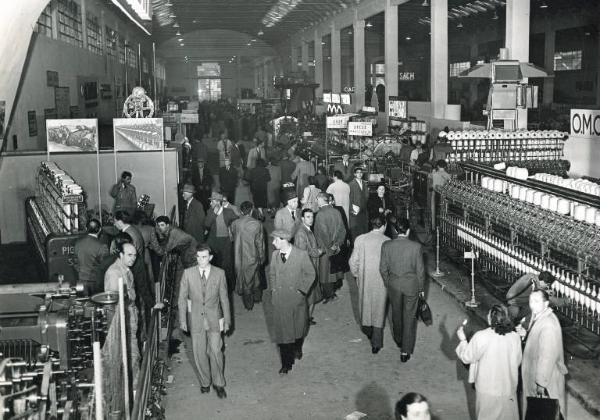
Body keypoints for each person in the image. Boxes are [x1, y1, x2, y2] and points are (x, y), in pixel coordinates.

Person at [178, 244, 231, 399]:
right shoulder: (188, 274)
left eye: (204, 257)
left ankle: (219, 383)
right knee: (199, 352)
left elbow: (224, 299)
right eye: (198, 257)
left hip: (215, 318)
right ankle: (205, 382)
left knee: (216, 351)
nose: (201, 260)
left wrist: (227, 320)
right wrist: (182, 320)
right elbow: (182, 299)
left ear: (210, 257)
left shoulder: (219, 274)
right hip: (195, 319)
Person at [456, 305, 522, 420]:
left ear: (491, 318)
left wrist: (462, 340)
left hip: (487, 389)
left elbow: (467, 357)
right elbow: (517, 361)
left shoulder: (481, 336)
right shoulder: (515, 337)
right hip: (507, 387)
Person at [269, 229, 316, 375]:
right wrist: (273, 290)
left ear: (284, 240)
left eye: (275, 240)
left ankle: (297, 347)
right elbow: (271, 274)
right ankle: (286, 364)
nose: (272, 243)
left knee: (297, 329)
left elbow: (311, 274)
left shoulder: (301, 255)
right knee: (283, 334)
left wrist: (301, 291)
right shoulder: (274, 255)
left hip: (296, 299)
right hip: (280, 300)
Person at [379, 218, 424, 363]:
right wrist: (421, 288)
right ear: (408, 231)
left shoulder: (387, 245)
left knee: (396, 313)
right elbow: (420, 271)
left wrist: (389, 283)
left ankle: (398, 339)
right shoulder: (416, 247)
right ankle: (405, 351)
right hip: (411, 286)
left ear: (396, 231)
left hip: (394, 285)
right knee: (410, 316)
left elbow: (383, 269)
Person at [518, 289, 568, 419]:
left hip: (544, 380)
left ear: (546, 304)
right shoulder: (540, 317)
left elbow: (547, 356)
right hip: (538, 375)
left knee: (544, 413)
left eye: (536, 301)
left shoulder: (548, 325)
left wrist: (541, 384)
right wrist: (526, 335)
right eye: (530, 301)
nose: (532, 305)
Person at [349, 216, 390, 354]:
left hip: (364, 278)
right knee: (379, 309)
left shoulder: (360, 239)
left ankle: (368, 330)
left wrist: (357, 275)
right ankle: (376, 344)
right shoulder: (387, 241)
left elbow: (353, 261)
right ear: (383, 226)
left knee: (365, 306)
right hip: (382, 281)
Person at [104, 242, 141, 390]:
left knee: (132, 356)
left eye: (135, 255)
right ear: (120, 255)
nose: (133, 258)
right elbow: (113, 305)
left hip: (129, 316)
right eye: (129, 255)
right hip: (122, 321)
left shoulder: (125, 269)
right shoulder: (114, 273)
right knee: (132, 356)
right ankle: (134, 393)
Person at [114, 211, 154, 329]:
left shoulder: (128, 234)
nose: (114, 224)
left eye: (115, 221)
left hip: (134, 276)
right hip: (137, 273)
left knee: (138, 312)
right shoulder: (132, 230)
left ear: (120, 221)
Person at [231, 201, 265, 310]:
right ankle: (257, 298)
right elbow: (260, 243)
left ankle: (248, 305)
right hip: (252, 255)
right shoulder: (257, 224)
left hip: (238, 256)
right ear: (251, 210)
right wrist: (262, 256)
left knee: (243, 277)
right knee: (254, 276)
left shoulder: (235, 223)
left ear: (241, 211)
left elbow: (232, 238)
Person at [313, 192, 347, 302]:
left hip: (325, 249)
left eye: (317, 199)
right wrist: (337, 244)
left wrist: (330, 247)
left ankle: (329, 295)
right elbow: (343, 230)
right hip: (336, 247)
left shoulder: (320, 214)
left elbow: (323, 233)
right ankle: (333, 292)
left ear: (322, 200)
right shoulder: (336, 211)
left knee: (324, 273)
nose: (316, 202)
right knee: (334, 271)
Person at [293, 208, 323, 324]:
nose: (311, 219)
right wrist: (318, 252)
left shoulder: (307, 230)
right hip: (307, 268)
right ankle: (304, 319)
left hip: (311, 265)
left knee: (311, 294)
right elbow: (302, 252)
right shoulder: (301, 233)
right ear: (302, 218)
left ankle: (307, 317)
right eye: (308, 217)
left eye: (312, 217)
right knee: (308, 295)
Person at [204, 192, 238, 291]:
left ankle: (229, 287)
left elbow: (236, 222)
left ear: (218, 202)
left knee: (227, 265)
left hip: (226, 242)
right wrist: (214, 213)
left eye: (212, 201)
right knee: (215, 265)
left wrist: (231, 229)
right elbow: (206, 224)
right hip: (213, 242)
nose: (210, 203)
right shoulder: (210, 211)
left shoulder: (229, 211)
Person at [74, 218, 109, 295]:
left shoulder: (78, 243)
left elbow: (75, 262)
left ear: (86, 228)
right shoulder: (102, 246)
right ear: (100, 229)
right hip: (96, 282)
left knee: (82, 303)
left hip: (80, 280)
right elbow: (105, 266)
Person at [348, 166, 369, 240]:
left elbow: (366, 196)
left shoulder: (364, 183)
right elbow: (350, 198)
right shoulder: (351, 184)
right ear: (354, 174)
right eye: (358, 173)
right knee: (356, 231)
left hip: (364, 209)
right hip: (356, 210)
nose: (360, 174)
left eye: (361, 172)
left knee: (364, 229)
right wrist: (352, 209)